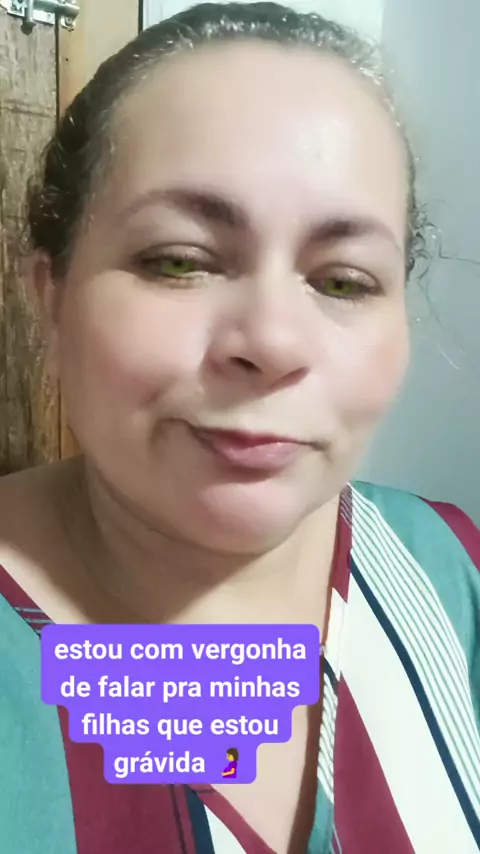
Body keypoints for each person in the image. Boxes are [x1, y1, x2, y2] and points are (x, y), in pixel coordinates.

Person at [0, 2, 478, 853]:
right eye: (179, 261)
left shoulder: (450, 574)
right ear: (50, 294)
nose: (273, 343)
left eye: (343, 280)